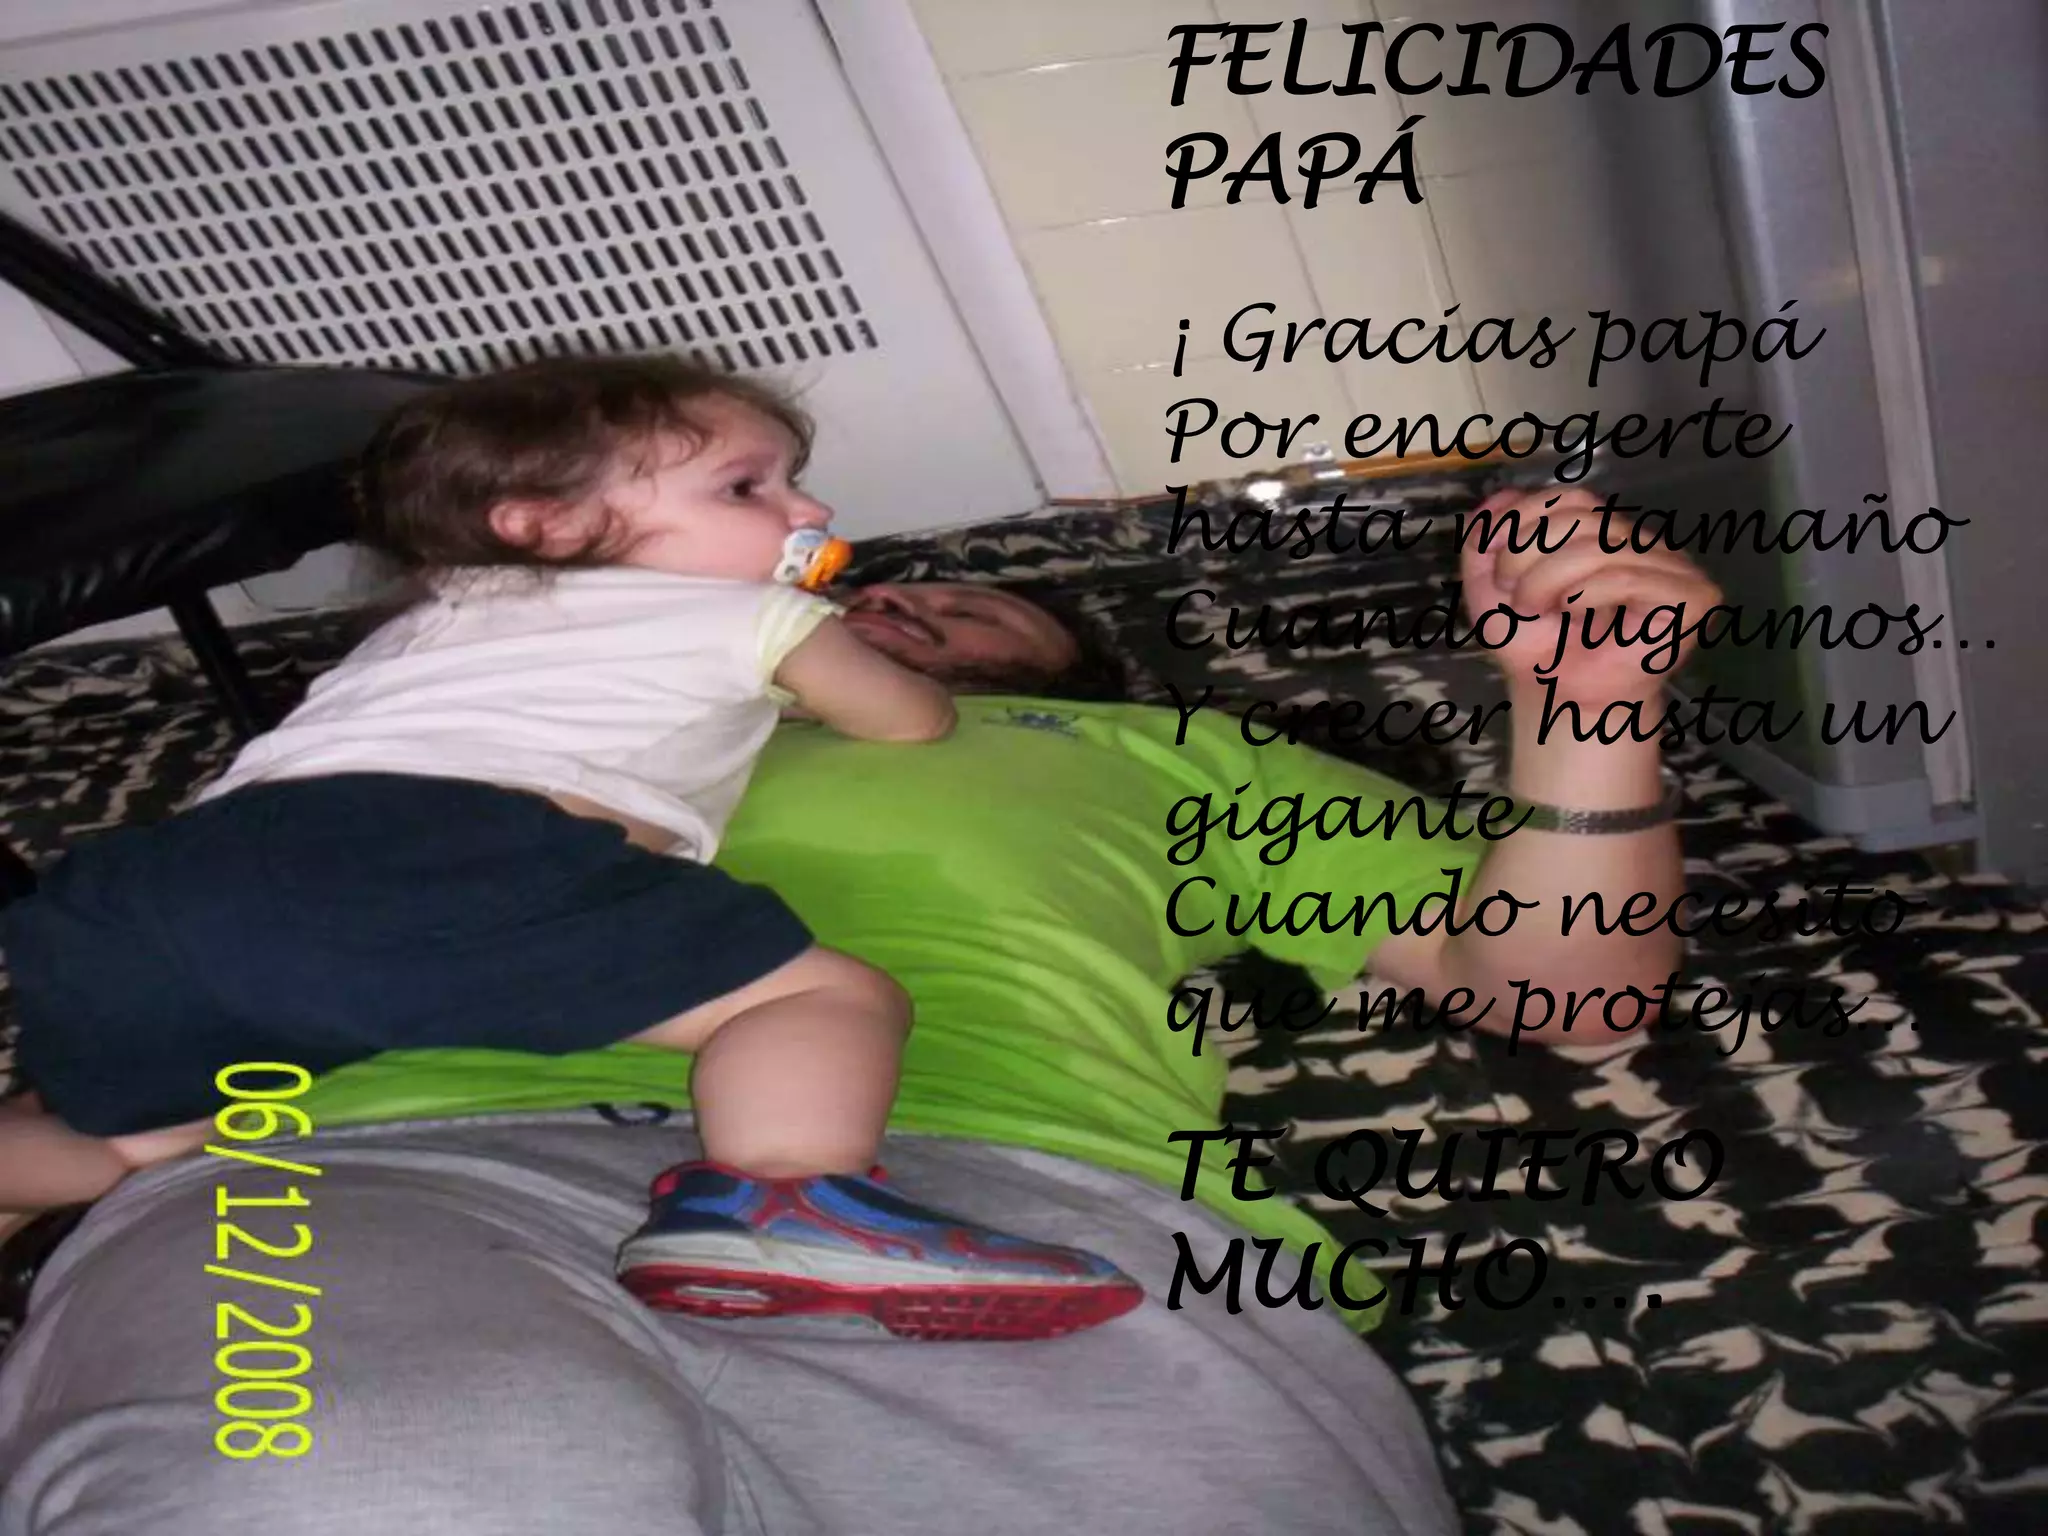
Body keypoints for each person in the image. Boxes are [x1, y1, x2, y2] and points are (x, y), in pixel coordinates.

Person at [0, 488, 1717, 1534]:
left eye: (967, 611)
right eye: (877, 596)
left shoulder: (1159, 756)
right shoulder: (488, 697)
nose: (897, 604)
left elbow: (1561, 990)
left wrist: (1594, 707)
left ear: (1061, 678)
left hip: (1019, 1209)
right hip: (363, 1173)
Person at [0, 354, 1142, 1342]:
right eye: (746, 486)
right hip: (429, 855)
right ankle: (787, 1198)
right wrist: (819, 663)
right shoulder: (751, 616)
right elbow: (911, 721)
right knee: (825, 998)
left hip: (142, 889)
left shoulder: (449, 605)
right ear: (542, 523)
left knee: (134, 1141)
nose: (809, 507)